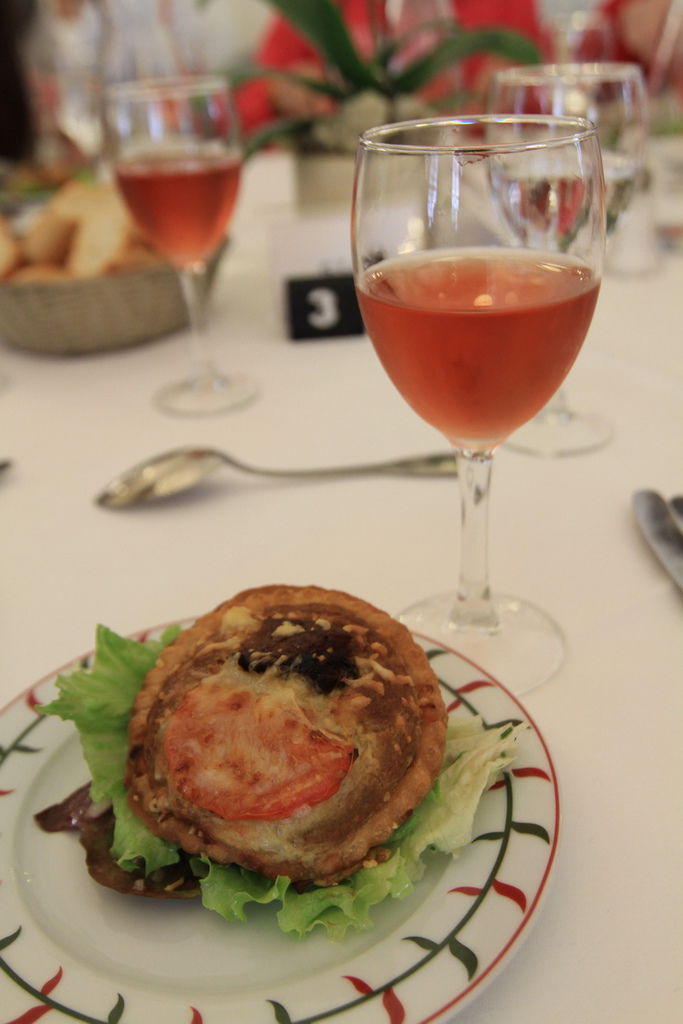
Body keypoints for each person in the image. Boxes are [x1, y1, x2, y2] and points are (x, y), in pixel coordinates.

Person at [235, 0, 545, 134]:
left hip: (465, 185)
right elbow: (244, 109)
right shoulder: (321, 9)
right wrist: (279, 93)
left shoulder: (505, 7)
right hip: (339, 193)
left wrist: (514, 97)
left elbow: (547, 113)